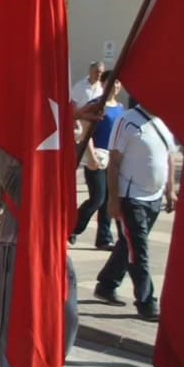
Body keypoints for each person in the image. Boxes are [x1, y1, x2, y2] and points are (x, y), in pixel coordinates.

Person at [0, 148, 79, 367]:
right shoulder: (10, 140)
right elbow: (16, 188)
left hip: (53, 242)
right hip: (16, 238)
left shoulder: (58, 134)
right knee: (10, 313)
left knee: (68, 313)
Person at [94, 100, 176, 320]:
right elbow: (114, 161)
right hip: (131, 198)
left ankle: (106, 283)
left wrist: (170, 190)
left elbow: (169, 157)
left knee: (128, 244)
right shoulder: (127, 121)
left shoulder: (164, 121)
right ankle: (147, 302)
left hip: (154, 198)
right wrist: (113, 199)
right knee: (139, 251)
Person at [71, 81, 124, 250]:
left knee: (109, 199)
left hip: (113, 158)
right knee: (97, 198)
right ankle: (72, 229)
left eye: (118, 84)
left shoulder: (120, 108)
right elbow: (86, 133)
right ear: (105, 84)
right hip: (96, 156)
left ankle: (103, 238)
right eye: (112, 83)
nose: (115, 87)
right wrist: (91, 156)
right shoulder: (96, 105)